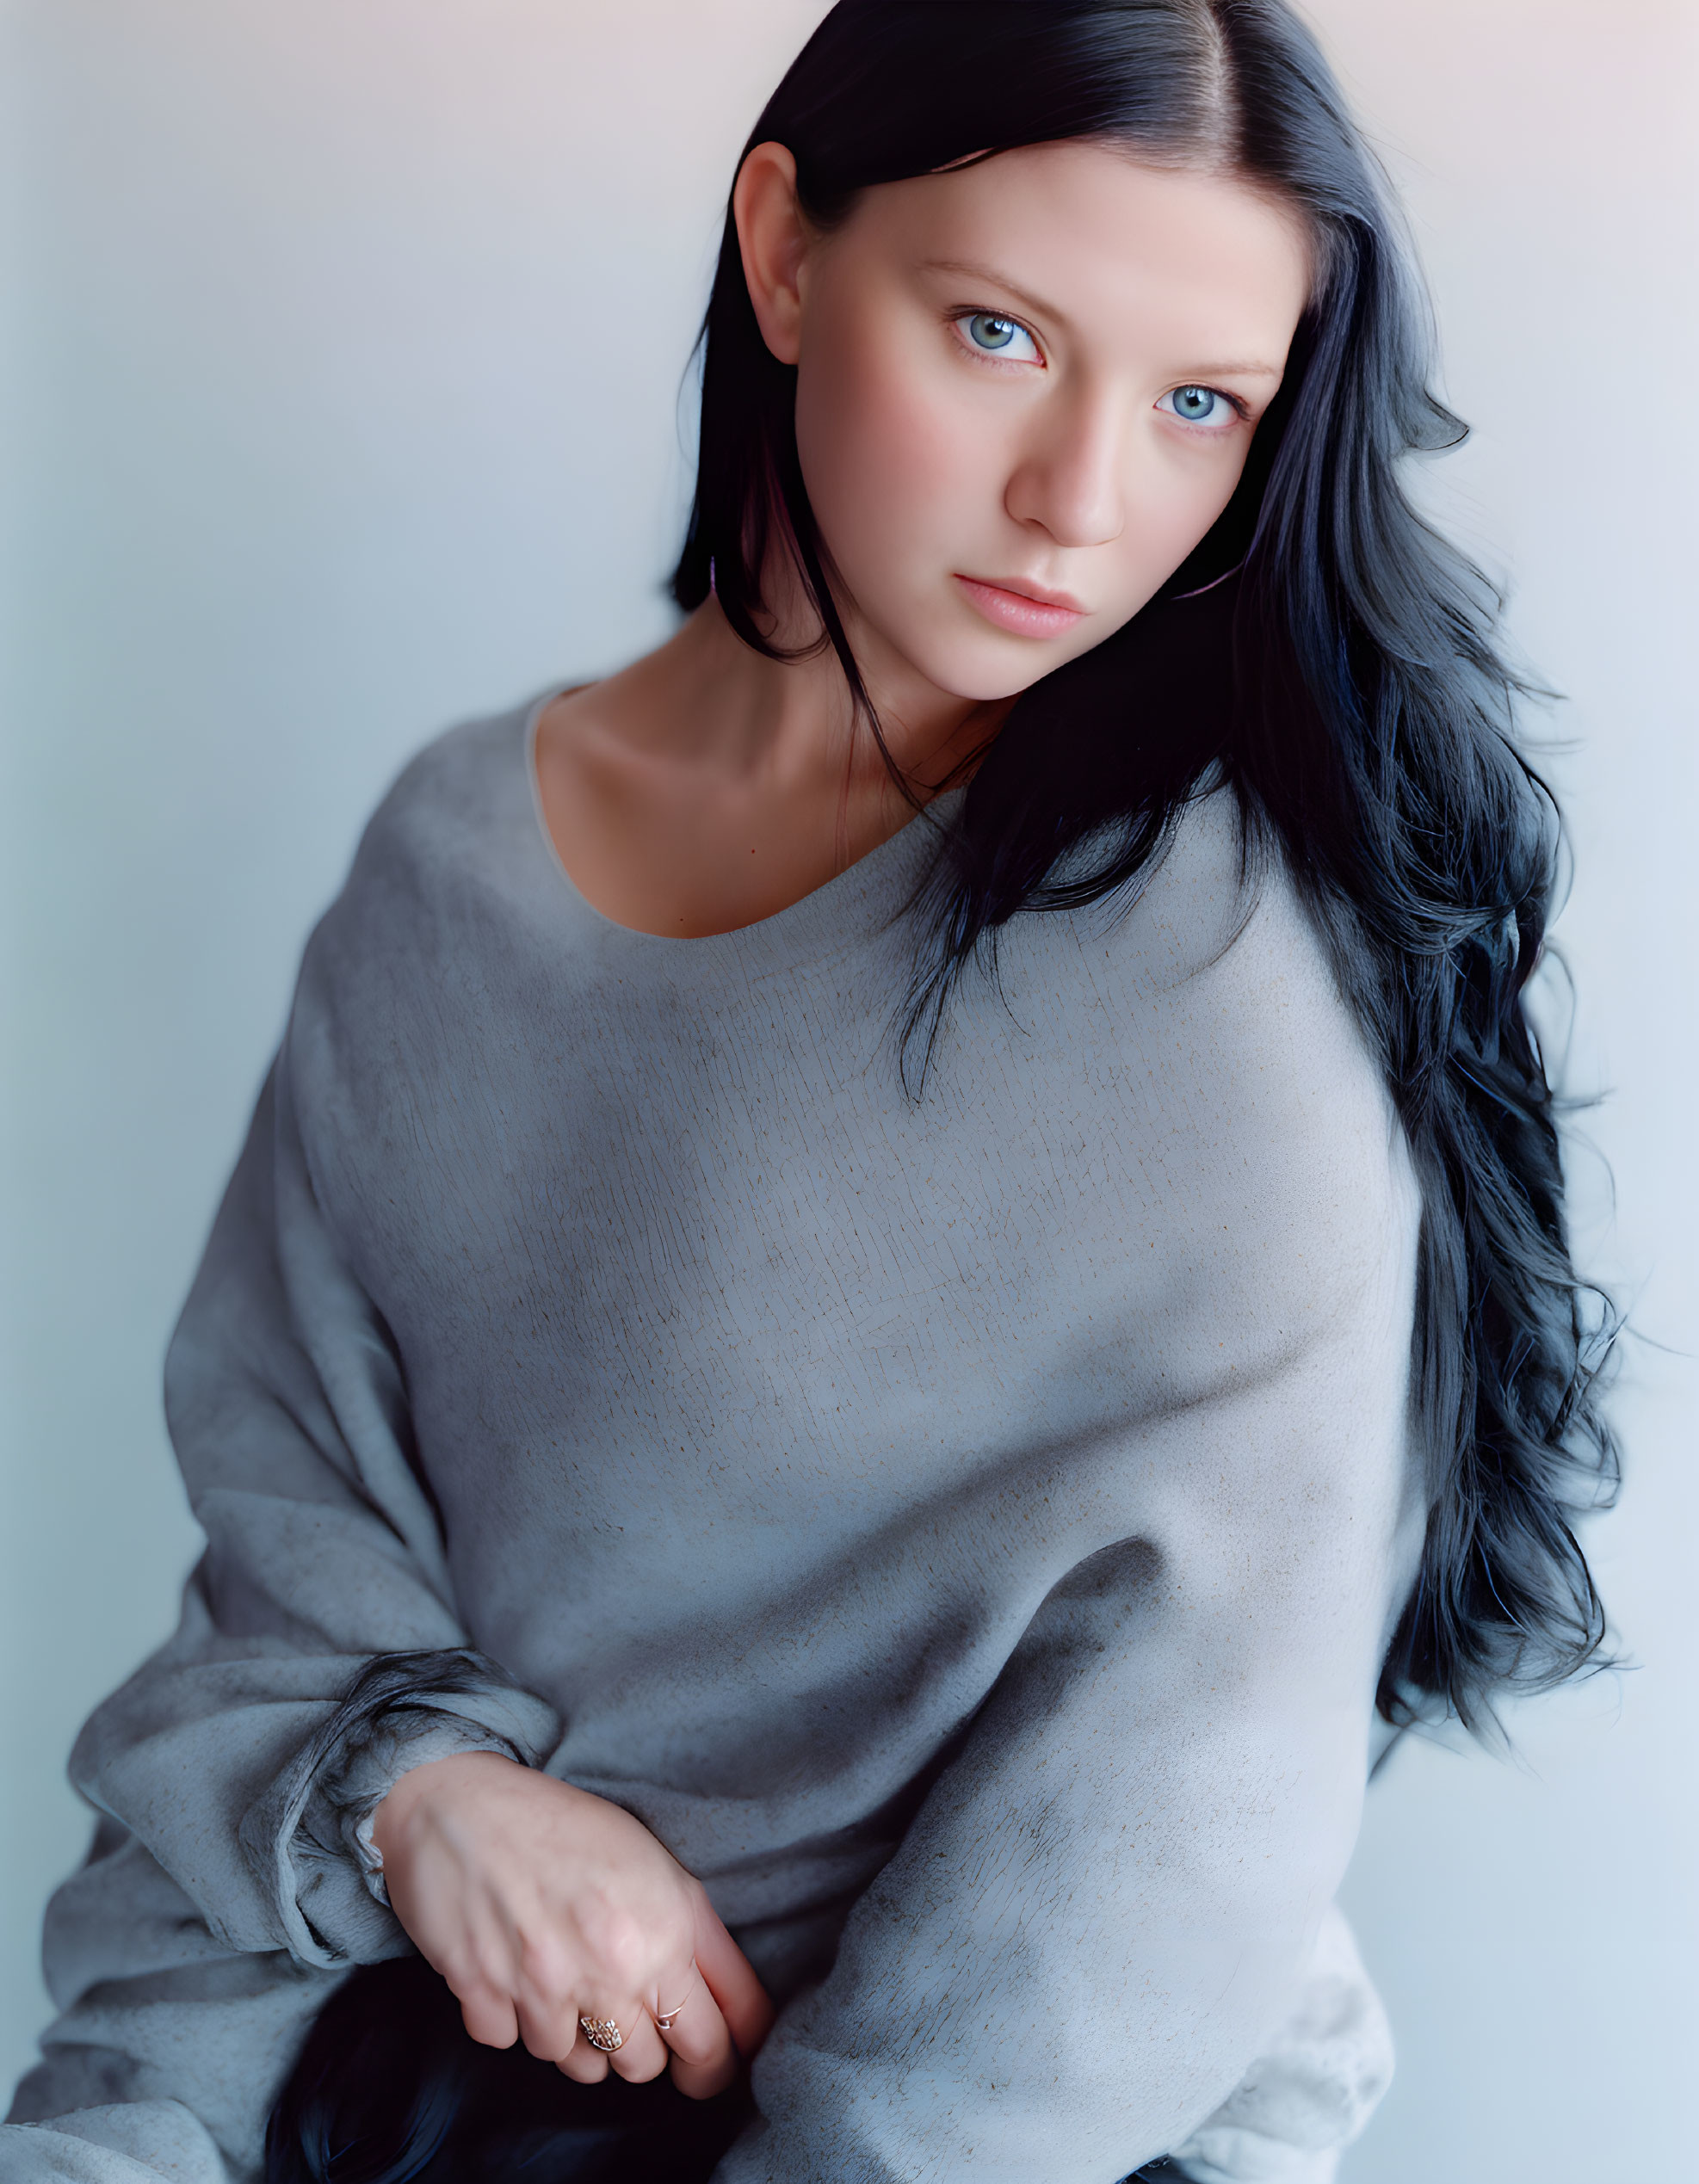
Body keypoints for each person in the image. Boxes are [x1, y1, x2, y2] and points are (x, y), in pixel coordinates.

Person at [3, 3, 1617, 2181]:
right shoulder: (449, 863)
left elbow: (1145, 1871)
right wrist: (415, 1795)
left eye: (1201, 402)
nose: (1085, 498)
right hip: (399, 2059)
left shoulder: (1214, 999)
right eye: (997, 334)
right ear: (783, 251)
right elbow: (286, 1582)